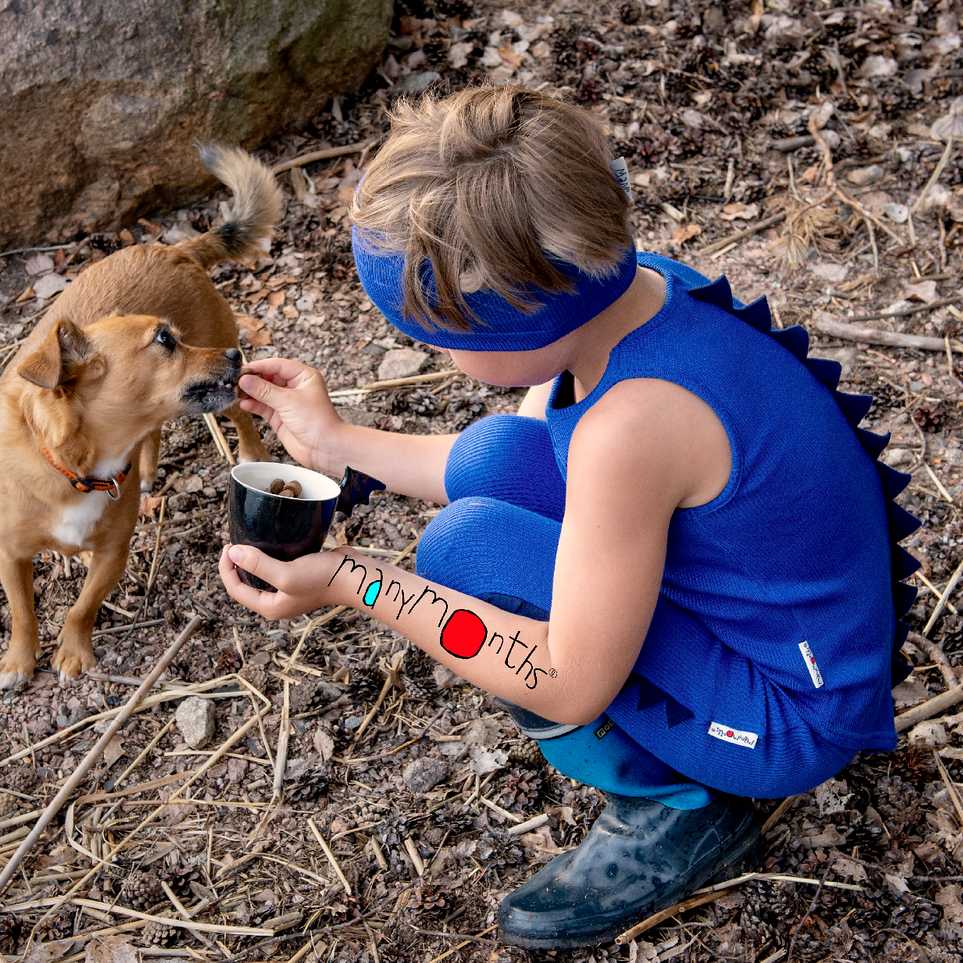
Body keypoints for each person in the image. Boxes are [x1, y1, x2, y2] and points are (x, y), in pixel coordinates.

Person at [218, 85, 919, 950]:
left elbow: (568, 679)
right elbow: (518, 459)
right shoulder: (627, 293)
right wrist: (336, 444)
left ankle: (677, 809)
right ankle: (679, 778)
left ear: (513, 322)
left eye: (437, 334)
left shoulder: (632, 428)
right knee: (494, 460)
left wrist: (352, 580)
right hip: (764, 611)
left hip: (786, 714)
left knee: (466, 552)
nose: (433, 351)